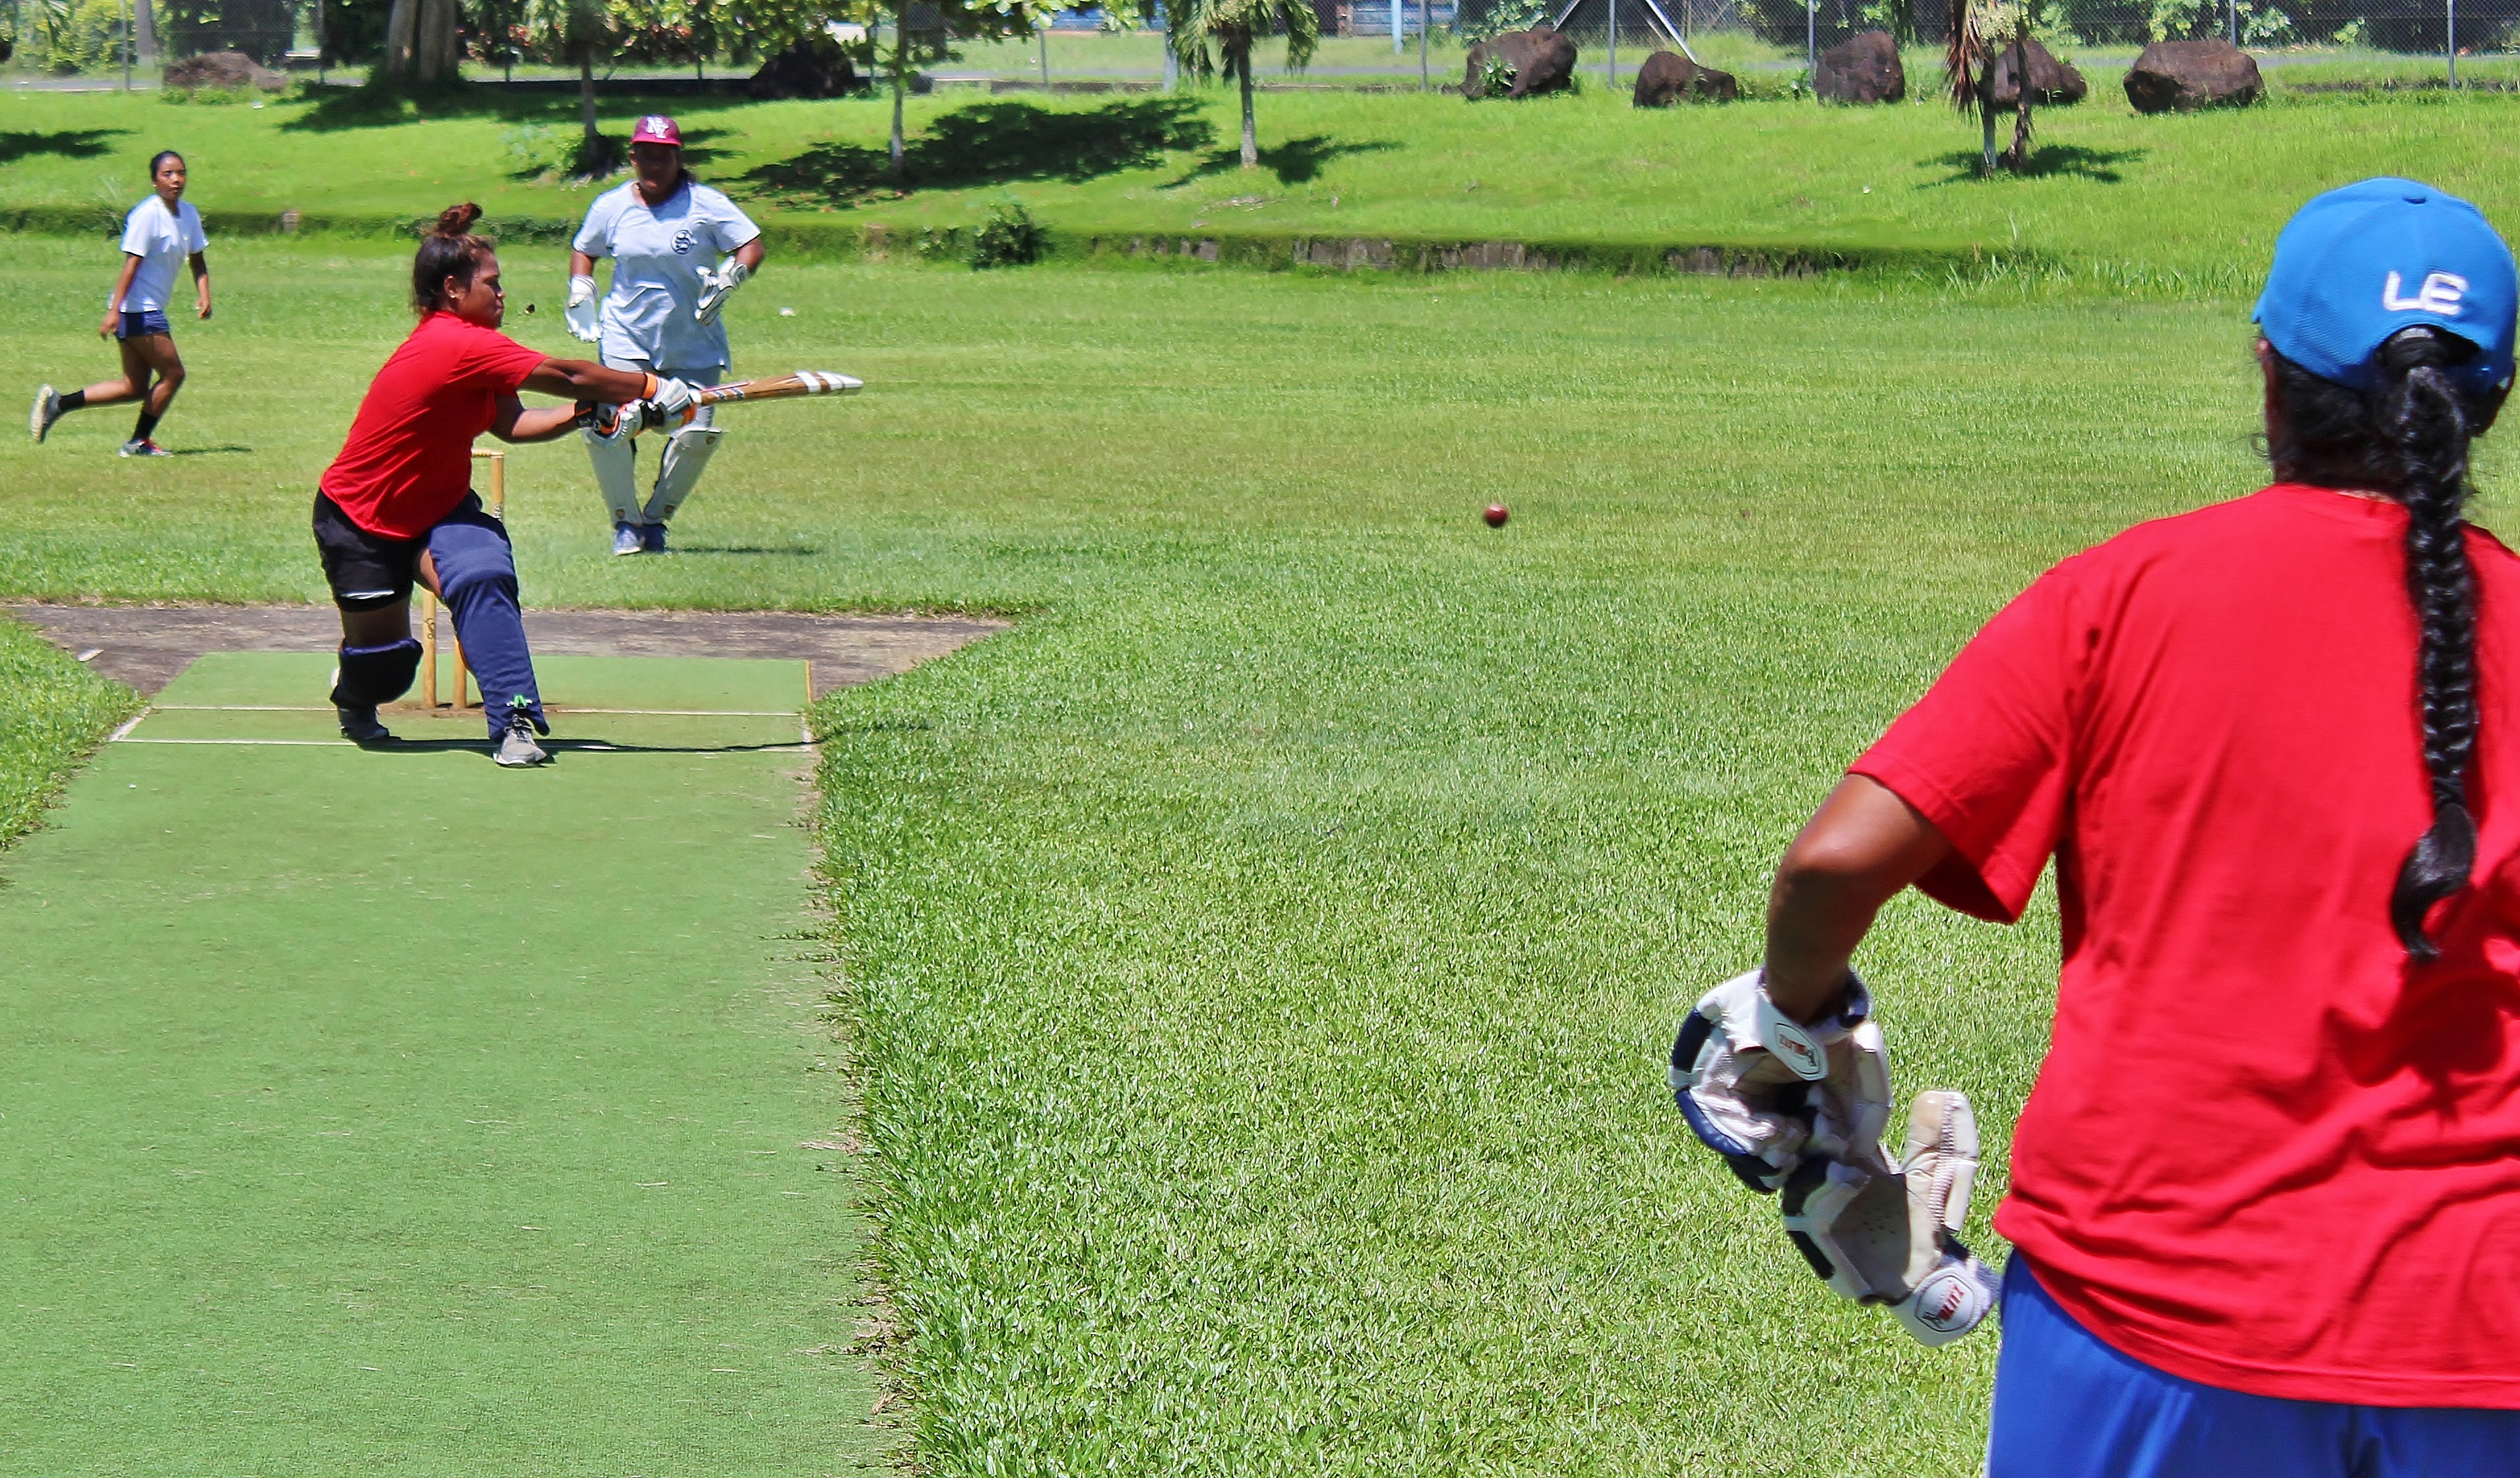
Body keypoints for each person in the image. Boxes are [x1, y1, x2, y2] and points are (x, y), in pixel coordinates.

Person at [1674, 177, 2520, 1476]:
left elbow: (1836, 860)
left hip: (2148, 1308)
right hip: (2481, 1332)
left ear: (2266, 375)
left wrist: (1795, 1023)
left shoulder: (2126, 594)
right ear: (2486, 405)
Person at [317, 203, 698, 765]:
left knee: (483, 573)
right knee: (387, 668)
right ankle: (354, 694)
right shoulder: (454, 342)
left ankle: (513, 722)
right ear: (452, 289)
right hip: (358, 519)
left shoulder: (477, 348)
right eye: (492, 284)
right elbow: (569, 375)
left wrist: (580, 415)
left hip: (441, 509)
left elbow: (511, 423)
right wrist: (646, 385)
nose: (501, 294)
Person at [565, 113, 766, 556]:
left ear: (678, 159)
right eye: (647, 156)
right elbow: (585, 248)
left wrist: (732, 277)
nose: (655, 166)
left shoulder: (706, 204)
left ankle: (655, 521)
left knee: (695, 435)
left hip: (693, 340)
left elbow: (751, 244)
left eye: (664, 157)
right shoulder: (612, 206)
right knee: (613, 425)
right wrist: (582, 287)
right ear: (633, 158)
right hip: (626, 335)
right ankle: (625, 524)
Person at [30, 150, 210, 456]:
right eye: (167, 174)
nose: (176, 179)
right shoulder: (147, 214)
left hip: (143, 309)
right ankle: (138, 442)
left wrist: (204, 294)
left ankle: (59, 404)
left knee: (134, 387)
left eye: (180, 173)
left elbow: (198, 259)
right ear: (154, 181)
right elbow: (131, 265)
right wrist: (114, 310)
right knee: (174, 373)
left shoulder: (189, 214)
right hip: (139, 309)